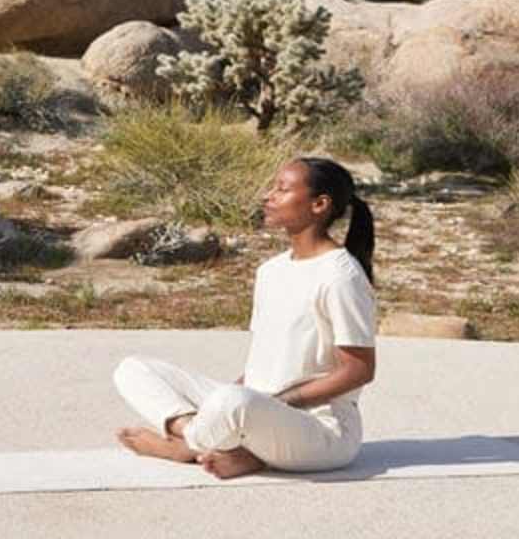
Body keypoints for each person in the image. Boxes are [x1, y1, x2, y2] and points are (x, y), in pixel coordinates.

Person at [114, 155, 380, 478]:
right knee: (134, 370)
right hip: (255, 407)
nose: (268, 196)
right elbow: (262, 361)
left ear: (319, 204)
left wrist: (274, 403)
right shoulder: (271, 271)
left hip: (318, 427)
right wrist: (233, 403)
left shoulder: (341, 276)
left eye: (282, 189)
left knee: (231, 402)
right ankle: (223, 442)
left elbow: (359, 370)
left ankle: (185, 447)